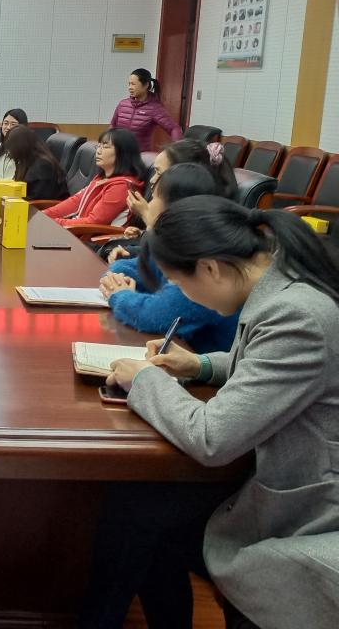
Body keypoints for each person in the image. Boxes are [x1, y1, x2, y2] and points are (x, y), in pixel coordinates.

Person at [81, 198, 339, 629]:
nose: (183, 295)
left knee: (138, 512)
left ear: (210, 268)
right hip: (268, 467)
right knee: (141, 511)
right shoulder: (279, 283)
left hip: (308, 505)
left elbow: (212, 437)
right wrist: (199, 364)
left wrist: (144, 380)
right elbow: (263, 367)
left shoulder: (296, 316)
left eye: (179, 283)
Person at [99, 164, 239, 354]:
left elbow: (152, 316)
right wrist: (117, 281)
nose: (148, 204)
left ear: (175, 206)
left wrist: (121, 295)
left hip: (206, 368)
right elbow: (127, 267)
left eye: (155, 197)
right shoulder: (178, 244)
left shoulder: (202, 259)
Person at [105, 138, 238, 262]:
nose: (152, 180)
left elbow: (167, 256)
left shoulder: (201, 227)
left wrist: (146, 215)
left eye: (159, 173)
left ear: (182, 177)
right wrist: (142, 233)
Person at [42, 129, 144, 227]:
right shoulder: (102, 178)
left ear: (123, 153)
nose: (98, 151)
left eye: (105, 147)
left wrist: (53, 223)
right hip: (79, 230)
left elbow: (93, 222)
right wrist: (43, 215)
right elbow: (76, 202)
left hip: (94, 237)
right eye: (99, 146)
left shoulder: (121, 187)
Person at [110, 68, 182, 152]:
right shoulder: (123, 104)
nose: (130, 87)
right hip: (118, 153)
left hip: (140, 155)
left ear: (146, 85)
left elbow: (174, 128)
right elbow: (113, 125)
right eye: (129, 84)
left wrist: (177, 150)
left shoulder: (155, 108)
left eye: (133, 84)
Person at [3, 124, 67, 201]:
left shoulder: (42, 166)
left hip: (43, 207)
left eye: (12, 148)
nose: (10, 153)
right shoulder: (25, 161)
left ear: (21, 147)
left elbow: (38, 200)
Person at [0, 108, 28, 179]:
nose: (8, 127)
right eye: (6, 123)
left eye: (13, 124)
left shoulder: (24, 149)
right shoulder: (0, 146)